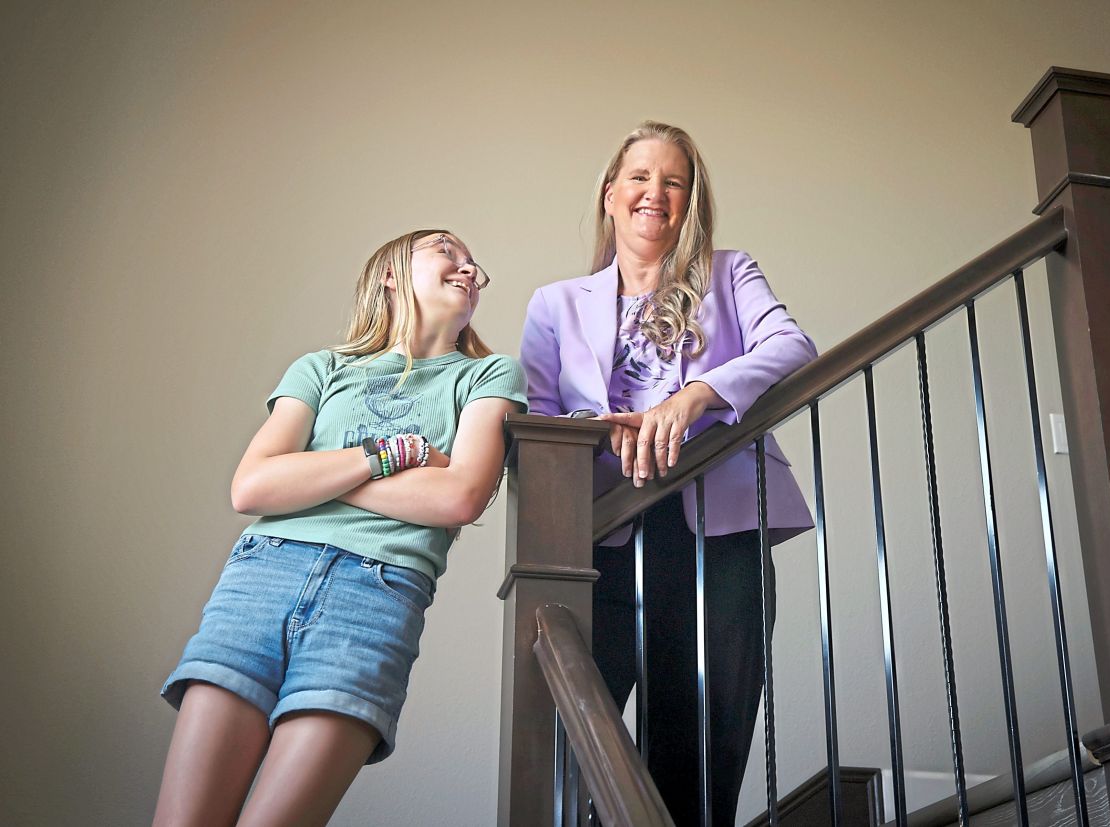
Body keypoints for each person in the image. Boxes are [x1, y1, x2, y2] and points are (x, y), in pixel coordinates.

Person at [153, 229, 527, 827]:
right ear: (389, 272)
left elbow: (460, 497)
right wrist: (397, 454)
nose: (468, 267)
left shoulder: (487, 377)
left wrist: (309, 475)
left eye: (474, 265)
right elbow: (250, 487)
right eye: (445, 251)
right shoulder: (322, 367)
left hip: (373, 602)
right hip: (259, 580)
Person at [519, 122, 816, 825]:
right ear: (610, 194)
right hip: (599, 543)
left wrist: (694, 396)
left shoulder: (729, 272)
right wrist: (599, 433)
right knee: (572, 756)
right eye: (641, 177)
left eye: (674, 180)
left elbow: (792, 345)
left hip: (719, 539)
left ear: (690, 202)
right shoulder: (555, 303)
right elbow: (539, 426)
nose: (656, 192)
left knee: (701, 763)